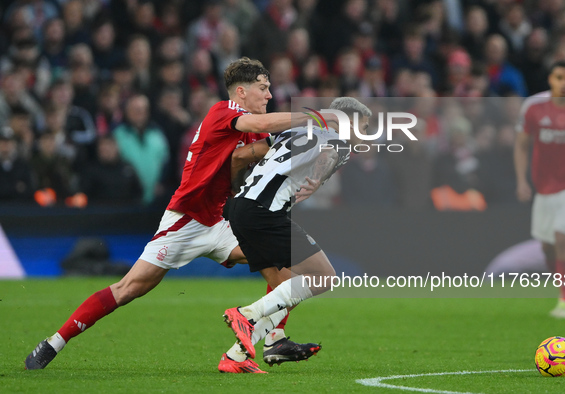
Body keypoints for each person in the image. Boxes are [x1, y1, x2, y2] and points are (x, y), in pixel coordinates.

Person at [24, 57, 329, 373]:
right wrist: (315, 117)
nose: (268, 95)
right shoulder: (223, 112)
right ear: (241, 91)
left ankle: (263, 344)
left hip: (219, 221)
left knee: (280, 266)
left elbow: (258, 165)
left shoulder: (252, 134)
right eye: (263, 89)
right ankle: (53, 343)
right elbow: (263, 128)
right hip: (185, 220)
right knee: (129, 289)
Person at [223, 97, 371, 364]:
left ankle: (241, 354)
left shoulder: (292, 131)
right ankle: (248, 314)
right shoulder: (341, 142)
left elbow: (240, 155)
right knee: (324, 277)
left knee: (285, 287)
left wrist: (234, 191)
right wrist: (319, 177)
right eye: (365, 126)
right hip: (264, 213)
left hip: (240, 209)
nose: (367, 135)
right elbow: (330, 154)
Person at [514, 60, 565, 319]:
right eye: (559, 78)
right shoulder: (534, 107)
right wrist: (522, 180)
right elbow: (522, 145)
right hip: (545, 188)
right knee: (547, 247)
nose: (564, 83)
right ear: (550, 79)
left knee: (562, 239)